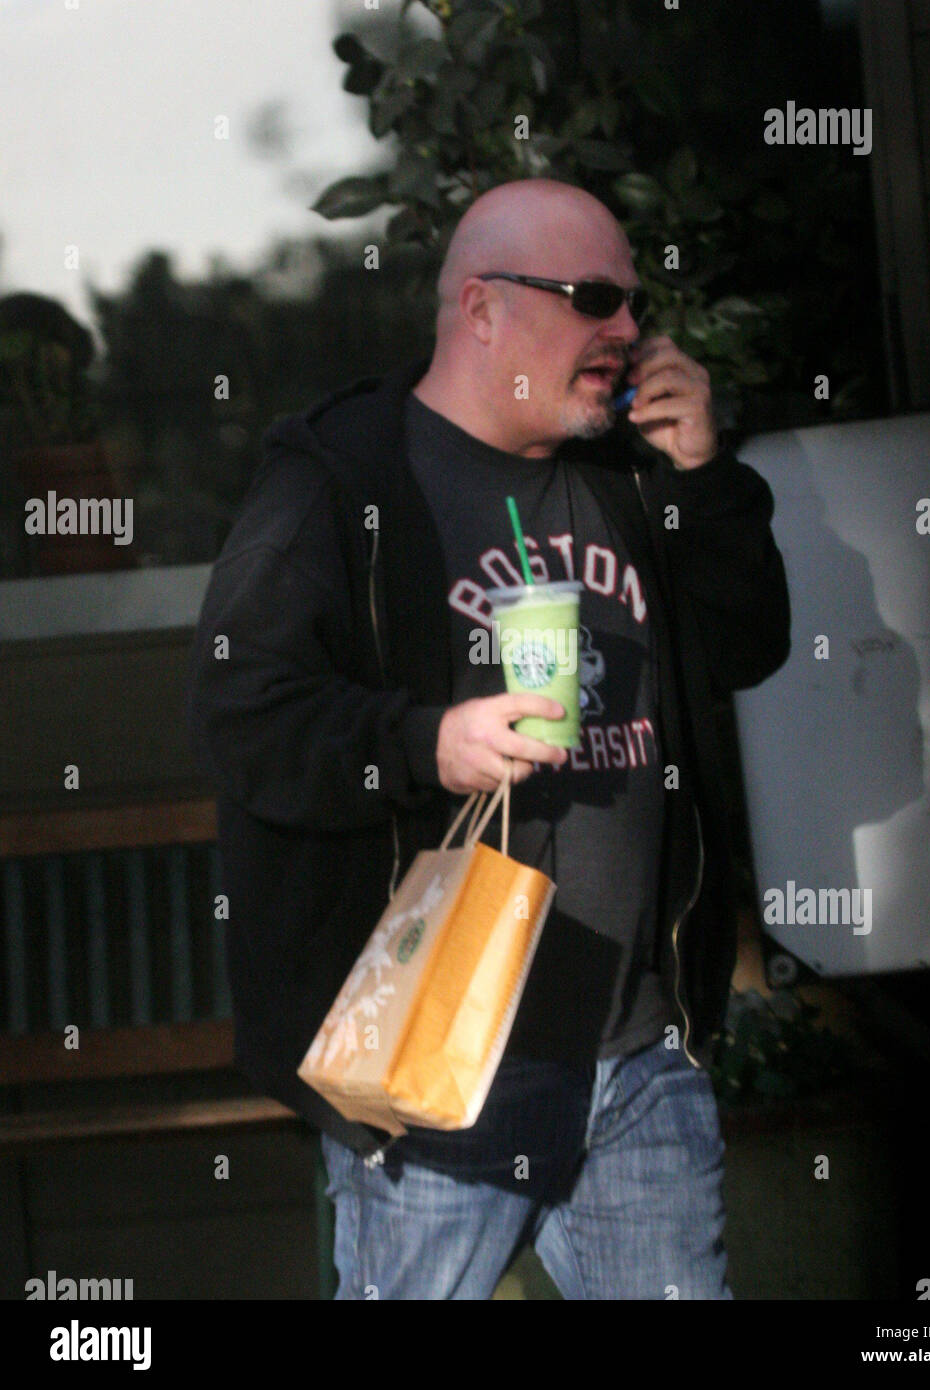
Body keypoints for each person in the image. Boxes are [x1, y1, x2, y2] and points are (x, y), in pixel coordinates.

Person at [186, 178, 790, 1300]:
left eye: (629, 302)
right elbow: (241, 711)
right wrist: (424, 742)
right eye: (591, 298)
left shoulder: (629, 470)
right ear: (480, 312)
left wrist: (704, 476)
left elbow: (750, 641)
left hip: (638, 1054)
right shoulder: (344, 479)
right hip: (439, 1069)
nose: (625, 331)